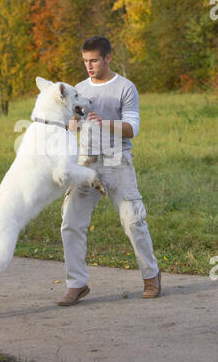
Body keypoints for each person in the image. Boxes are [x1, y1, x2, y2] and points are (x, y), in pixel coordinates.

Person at [58, 36, 161, 306]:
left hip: (117, 160)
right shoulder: (79, 88)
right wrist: (72, 124)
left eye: (93, 60)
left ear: (107, 58)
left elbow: (132, 128)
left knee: (133, 221)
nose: (89, 66)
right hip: (86, 161)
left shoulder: (126, 88)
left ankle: (151, 276)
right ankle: (76, 284)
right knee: (71, 222)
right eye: (85, 61)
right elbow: (73, 125)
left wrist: (105, 123)